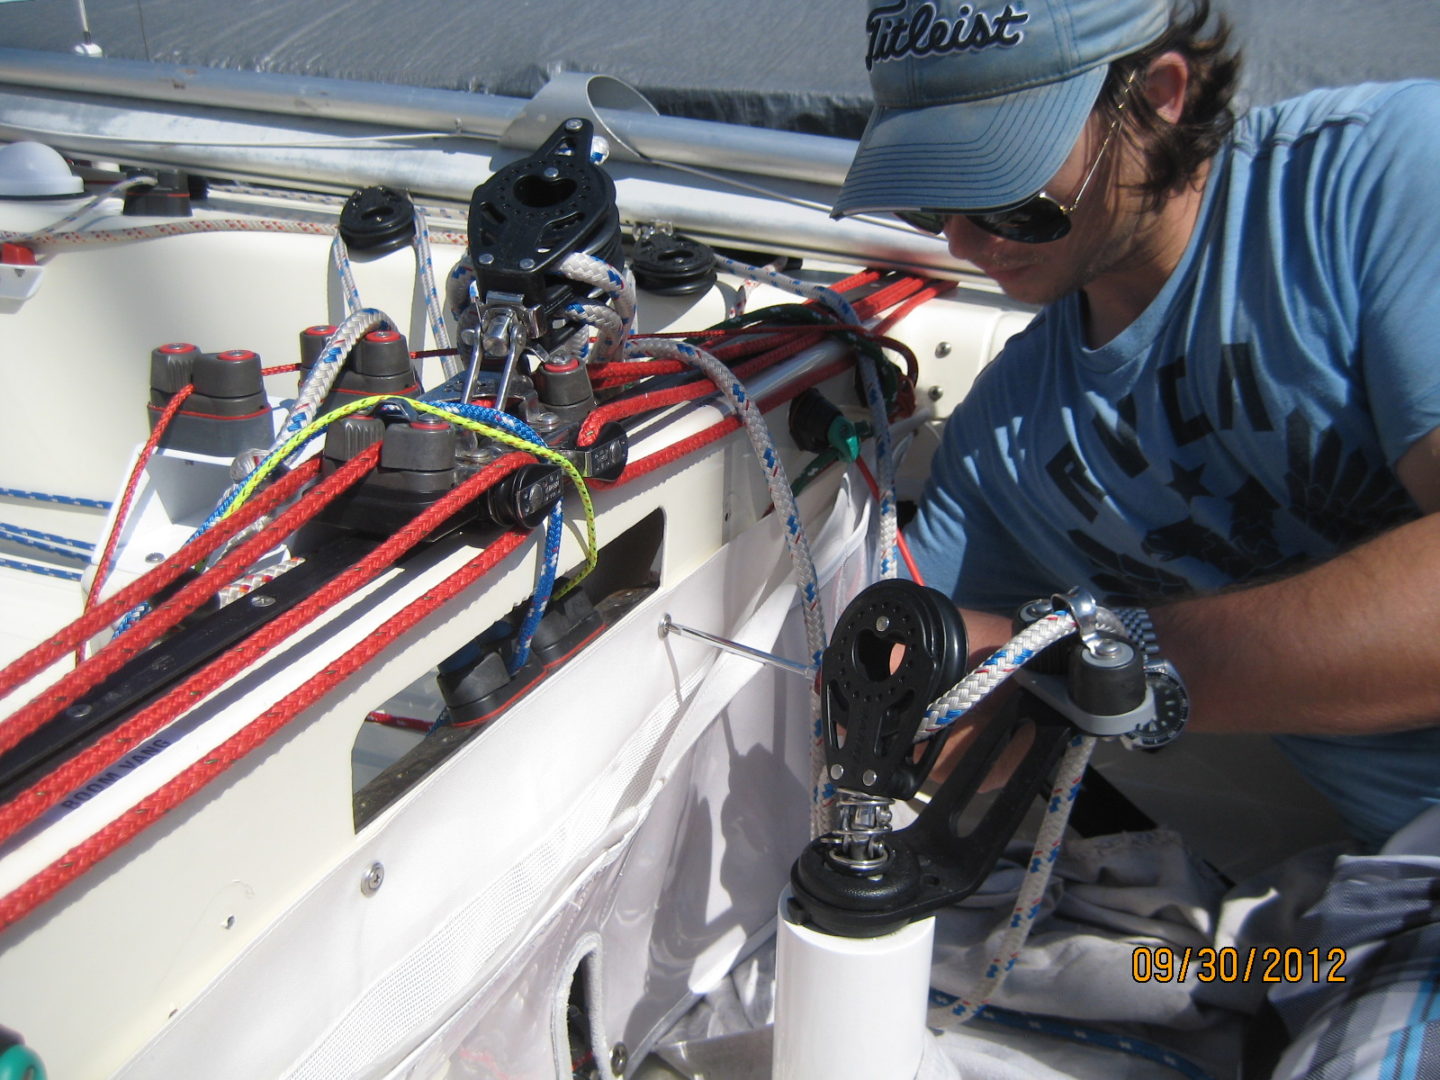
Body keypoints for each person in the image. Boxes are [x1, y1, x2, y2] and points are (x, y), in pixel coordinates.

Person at [833, 0, 1440, 1074]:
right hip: (1341, 917)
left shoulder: (1383, 180)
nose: (966, 244)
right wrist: (902, 703)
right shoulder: (1001, 443)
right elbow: (930, 694)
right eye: (934, 197)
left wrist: (1106, 662)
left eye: (1008, 194)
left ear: (1157, 100)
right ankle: (1251, 979)